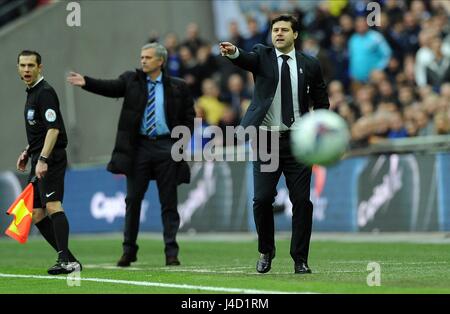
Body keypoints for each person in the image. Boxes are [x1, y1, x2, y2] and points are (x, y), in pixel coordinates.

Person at [67, 43, 195, 267]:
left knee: (169, 202)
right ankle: (129, 250)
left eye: (147, 57)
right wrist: (86, 82)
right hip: (140, 149)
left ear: (160, 61)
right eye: (141, 57)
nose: (143, 60)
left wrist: (179, 143)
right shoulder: (132, 80)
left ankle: (171, 252)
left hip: (167, 147)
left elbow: (189, 118)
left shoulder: (178, 87)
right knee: (133, 200)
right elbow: (111, 87)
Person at [220, 14, 330, 274]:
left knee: (302, 201)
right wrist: (234, 52)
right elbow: (245, 58)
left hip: (298, 141)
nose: (278, 33)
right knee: (261, 199)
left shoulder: (310, 64)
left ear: (295, 35)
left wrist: (320, 129)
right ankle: (266, 250)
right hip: (266, 139)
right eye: (275, 30)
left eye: (284, 30)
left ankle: (300, 259)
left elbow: (322, 102)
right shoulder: (262, 56)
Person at [16, 50, 81, 275]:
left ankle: (65, 261)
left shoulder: (45, 92)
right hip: (39, 156)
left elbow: (53, 129)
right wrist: (28, 151)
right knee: (36, 214)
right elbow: (42, 129)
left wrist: (42, 159)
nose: (26, 70)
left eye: (31, 65)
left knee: (53, 206)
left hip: (50, 158)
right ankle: (70, 259)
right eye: (23, 65)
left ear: (39, 67)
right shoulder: (32, 93)